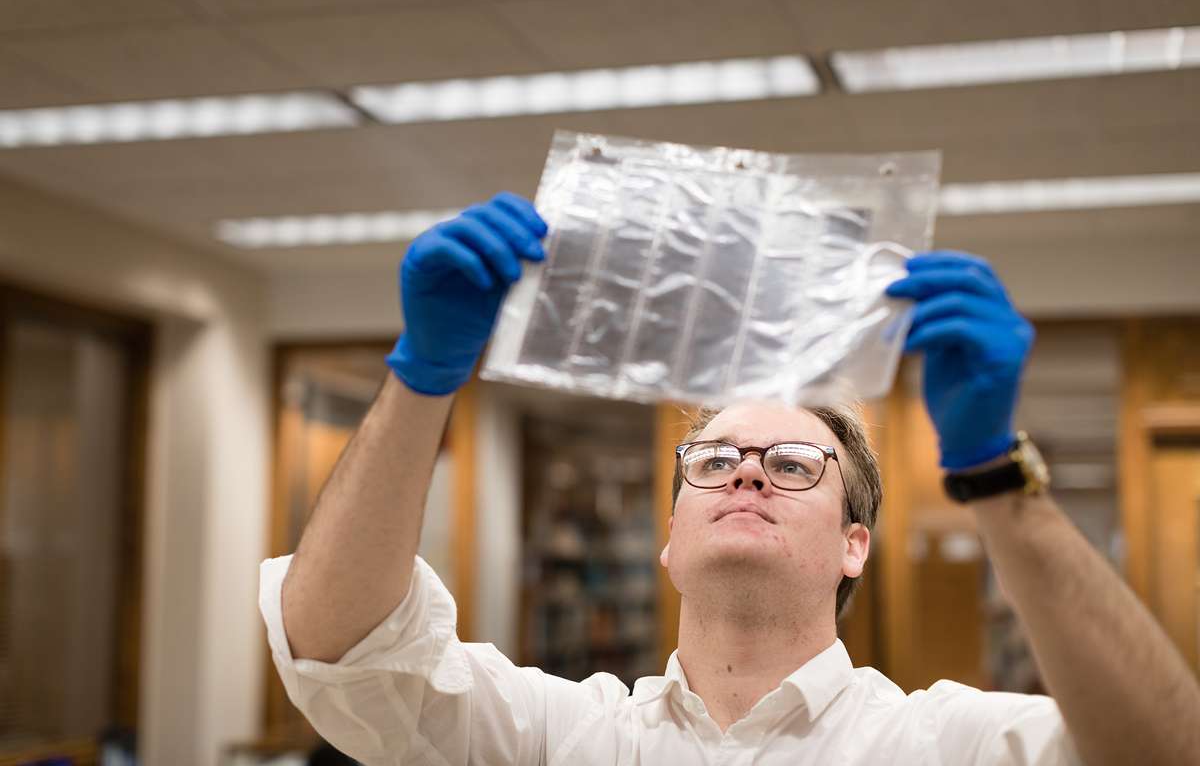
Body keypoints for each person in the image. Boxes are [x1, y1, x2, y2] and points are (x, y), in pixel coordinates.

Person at [259, 193, 1200, 765]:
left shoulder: (942, 743)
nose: (747, 473)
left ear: (853, 544)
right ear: (669, 540)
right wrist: (423, 380)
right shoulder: (560, 737)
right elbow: (342, 652)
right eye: (714, 461)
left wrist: (995, 478)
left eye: (793, 464)